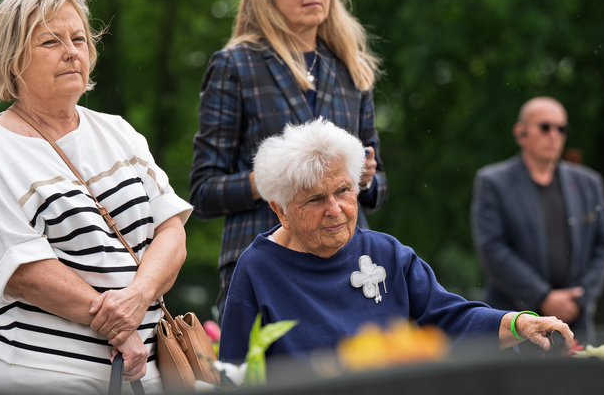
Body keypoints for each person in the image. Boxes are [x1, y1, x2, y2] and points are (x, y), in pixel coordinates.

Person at [0, 0, 193, 395]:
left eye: (79, 39)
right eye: (50, 42)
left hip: (147, 369)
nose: (71, 53)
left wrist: (138, 296)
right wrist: (120, 327)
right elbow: (24, 272)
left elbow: (171, 231)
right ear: (13, 60)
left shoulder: (119, 132)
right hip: (44, 375)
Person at [218, 119, 573, 363]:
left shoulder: (387, 254)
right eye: (314, 199)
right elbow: (237, 375)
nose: (334, 209)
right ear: (280, 210)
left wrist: (518, 323)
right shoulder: (257, 269)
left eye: (344, 190)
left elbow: (448, 319)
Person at [190, 0, 387, 324]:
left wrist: (365, 176)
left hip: (350, 268)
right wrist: (279, 179)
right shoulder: (235, 66)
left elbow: (377, 190)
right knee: (276, 388)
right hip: (265, 267)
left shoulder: (352, 70)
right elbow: (203, 192)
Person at [470, 97, 604, 343]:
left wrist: (579, 300)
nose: (554, 135)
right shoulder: (493, 182)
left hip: (575, 325)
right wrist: (543, 297)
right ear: (521, 132)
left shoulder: (589, 184)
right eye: (545, 127)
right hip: (514, 323)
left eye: (561, 128)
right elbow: (492, 248)